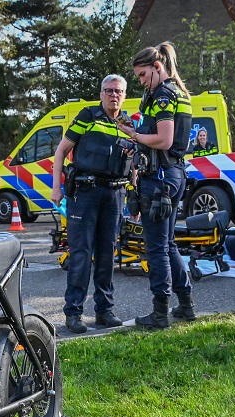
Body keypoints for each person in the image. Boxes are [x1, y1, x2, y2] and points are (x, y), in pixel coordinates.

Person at [117, 41, 195, 329]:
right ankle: (185, 305)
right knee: (168, 244)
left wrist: (134, 135)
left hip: (160, 178)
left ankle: (160, 313)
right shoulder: (177, 92)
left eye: (142, 75)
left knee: (156, 248)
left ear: (157, 67)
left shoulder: (163, 95)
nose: (140, 81)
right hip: (172, 174)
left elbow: (164, 140)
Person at [50, 75, 133, 334]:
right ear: (101, 93)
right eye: (108, 91)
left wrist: (134, 186)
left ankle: (103, 311)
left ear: (124, 95)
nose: (113, 95)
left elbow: (134, 159)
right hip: (85, 193)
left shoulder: (128, 123)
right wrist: (56, 187)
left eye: (118, 91)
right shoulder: (88, 116)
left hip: (115, 195)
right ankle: (73, 313)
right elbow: (61, 150)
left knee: (108, 254)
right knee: (81, 255)